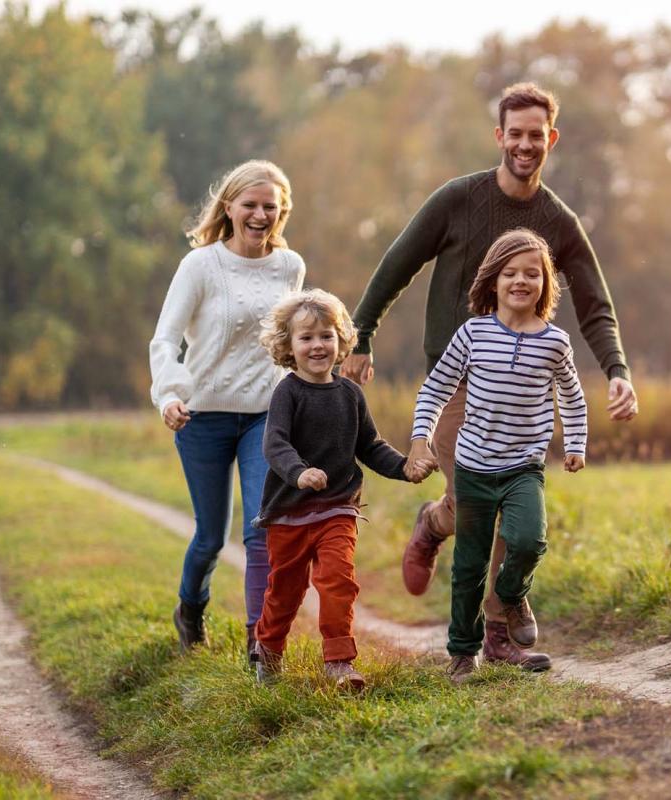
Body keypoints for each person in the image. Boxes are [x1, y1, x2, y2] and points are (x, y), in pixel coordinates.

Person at [341, 82, 638, 671]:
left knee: (513, 505)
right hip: (458, 379)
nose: (525, 145)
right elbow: (397, 263)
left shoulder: (558, 221)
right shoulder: (457, 199)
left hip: (524, 389)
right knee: (476, 501)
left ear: (550, 140)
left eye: (537, 136)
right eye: (516, 134)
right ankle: (435, 526)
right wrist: (362, 333)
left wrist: (617, 370)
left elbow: (593, 303)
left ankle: (497, 632)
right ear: (499, 136)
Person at [410, 229, 586, 684]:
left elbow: (572, 396)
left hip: (524, 466)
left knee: (529, 540)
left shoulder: (555, 342)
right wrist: (419, 438)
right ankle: (463, 653)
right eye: (510, 273)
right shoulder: (473, 333)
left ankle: (511, 595)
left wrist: (576, 444)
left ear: (546, 283)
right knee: (469, 563)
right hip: (473, 468)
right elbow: (436, 388)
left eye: (533, 273)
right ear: (493, 280)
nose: (521, 281)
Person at [150, 160, 305, 657]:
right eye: (250, 205)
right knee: (210, 538)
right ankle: (190, 608)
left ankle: (261, 643)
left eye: (269, 207)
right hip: (202, 416)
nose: (260, 215)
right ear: (230, 207)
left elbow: (290, 340)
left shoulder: (289, 266)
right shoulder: (200, 265)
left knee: (261, 531)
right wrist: (170, 394)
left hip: (266, 414)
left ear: (281, 212)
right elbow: (166, 337)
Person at [250, 289, 434, 688]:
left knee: (338, 580)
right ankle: (267, 648)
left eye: (326, 336)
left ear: (341, 341)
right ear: (288, 346)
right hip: (290, 512)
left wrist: (405, 467)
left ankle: (339, 661)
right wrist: (298, 472)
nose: (318, 345)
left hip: (337, 508)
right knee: (286, 591)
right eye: (306, 337)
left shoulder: (350, 394)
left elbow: (369, 446)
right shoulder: (287, 393)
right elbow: (275, 444)